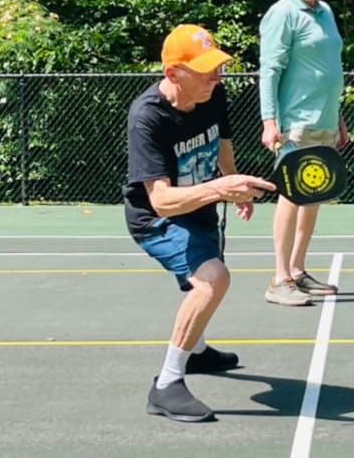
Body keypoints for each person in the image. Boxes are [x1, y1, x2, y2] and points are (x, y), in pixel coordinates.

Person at [124, 24, 275, 422]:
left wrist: (233, 180)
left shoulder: (213, 94)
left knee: (200, 284)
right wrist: (223, 187)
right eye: (205, 68)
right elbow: (160, 200)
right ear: (173, 73)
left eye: (218, 66)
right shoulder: (147, 118)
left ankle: (197, 351)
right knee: (213, 278)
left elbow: (222, 141)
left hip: (202, 206)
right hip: (156, 219)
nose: (216, 75)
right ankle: (167, 385)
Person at [258, 0, 348, 306]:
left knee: (313, 194)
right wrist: (269, 121)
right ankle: (279, 279)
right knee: (292, 194)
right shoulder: (282, 14)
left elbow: (329, 70)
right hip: (293, 124)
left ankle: (297, 271)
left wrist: (338, 116)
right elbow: (269, 71)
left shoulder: (325, 12)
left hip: (324, 121)